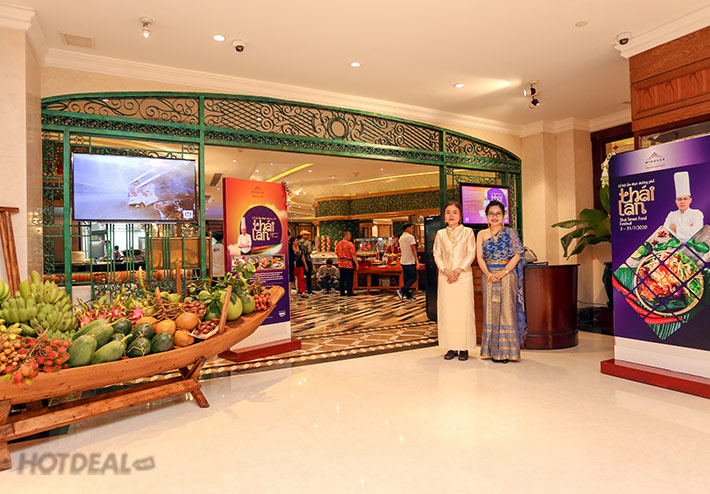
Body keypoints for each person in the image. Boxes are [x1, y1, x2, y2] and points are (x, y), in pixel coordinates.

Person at [476, 200, 526, 364]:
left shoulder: (511, 233)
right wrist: (489, 275)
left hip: (507, 275)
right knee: (490, 312)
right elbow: (479, 257)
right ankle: (491, 351)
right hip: (488, 276)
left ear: (504, 216)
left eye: (498, 214)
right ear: (487, 216)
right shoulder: (481, 234)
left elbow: (517, 255)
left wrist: (504, 272)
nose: (495, 217)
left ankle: (507, 352)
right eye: (491, 214)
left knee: (506, 311)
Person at [433, 201, 477, 361]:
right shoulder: (440, 234)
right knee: (448, 312)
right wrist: (445, 271)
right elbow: (436, 254)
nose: (451, 215)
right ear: (444, 216)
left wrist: (458, 271)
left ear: (460, 216)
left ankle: (464, 347)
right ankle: (451, 347)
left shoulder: (468, 232)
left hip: (463, 277)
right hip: (445, 278)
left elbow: (471, 252)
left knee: (463, 312)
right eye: (448, 212)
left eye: (455, 212)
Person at [663, 171, 703, 243]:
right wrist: (688, 229)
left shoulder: (697, 214)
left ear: (690, 200)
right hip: (674, 247)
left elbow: (698, 232)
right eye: (679, 199)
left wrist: (676, 229)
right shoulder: (671, 215)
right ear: (676, 201)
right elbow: (665, 232)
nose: (682, 202)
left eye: (685, 199)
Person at [396, 223, 419, 302]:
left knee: (406, 280)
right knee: (413, 278)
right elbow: (413, 250)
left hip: (403, 261)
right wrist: (417, 261)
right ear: (407, 228)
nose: (413, 230)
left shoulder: (401, 237)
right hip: (410, 261)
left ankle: (408, 296)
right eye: (412, 228)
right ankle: (401, 290)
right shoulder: (410, 237)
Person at [336, 230, 358, 296]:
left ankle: (342, 292)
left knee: (342, 278)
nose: (350, 236)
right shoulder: (350, 244)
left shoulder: (338, 244)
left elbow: (336, 253)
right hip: (348, 263)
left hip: (341, 263)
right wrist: (356, 263)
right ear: (346, 235)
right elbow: (353, 254)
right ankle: (349, 292)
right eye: (349, 235)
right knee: (349, 279)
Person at [299, 230, 314, 294]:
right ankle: (309, 290)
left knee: (300, 276)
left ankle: (301, 290)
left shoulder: (298, 242)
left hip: (300, 260)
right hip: (307, 260)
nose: (308, 236)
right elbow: (309, 251)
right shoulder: (308, 242)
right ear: (303, 235)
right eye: (307, 235)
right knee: (308, 276)